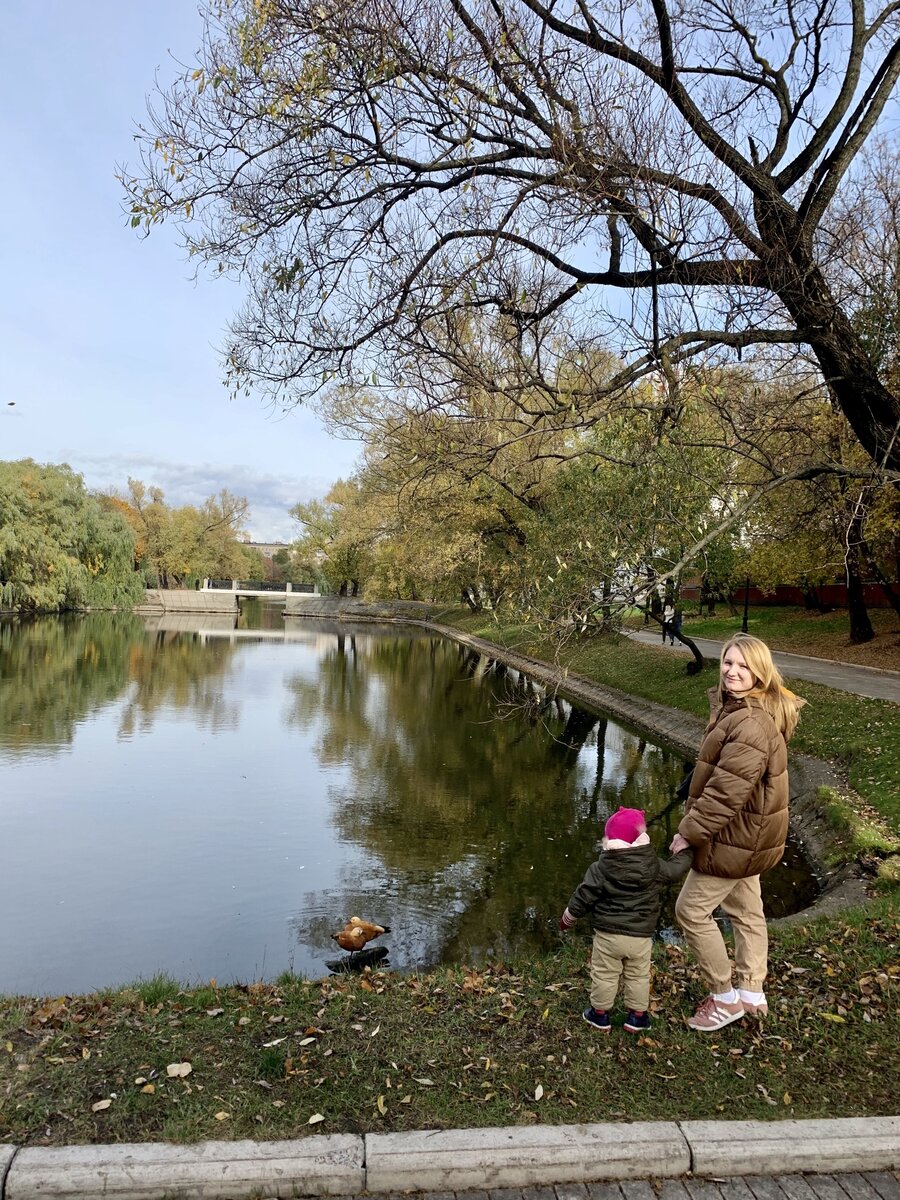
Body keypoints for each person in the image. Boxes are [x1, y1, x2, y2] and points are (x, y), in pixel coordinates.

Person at [670, 634, 806, 1031]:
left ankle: (724, 997)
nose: (732, 671)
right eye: (728, 663)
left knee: (691, 912)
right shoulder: (747, 710)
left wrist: (688, 832)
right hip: (752, 835)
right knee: (746, 911)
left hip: (734, 838)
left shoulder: (748, 722)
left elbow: (725, 792)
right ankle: (751, 991)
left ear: (760, 672)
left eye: (743, 666)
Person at [560, 806, 693, 1033]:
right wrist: (687, 852)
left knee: (604, 974)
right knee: (638, 975)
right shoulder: (654, 867)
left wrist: (568, 918)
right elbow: (675, 870)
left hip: (608, 936)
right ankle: (637, 1016)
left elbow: (584, 895)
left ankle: (600, 1015)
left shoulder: (601, 868)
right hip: (640, 937)